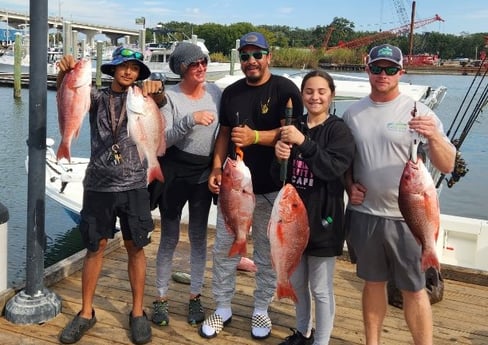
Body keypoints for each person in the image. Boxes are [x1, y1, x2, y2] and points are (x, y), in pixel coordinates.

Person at [342, 44, 456, 345]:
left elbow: (447, 164)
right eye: (377, 68)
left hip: (408, 218)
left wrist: (432, 136)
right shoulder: (352, 113)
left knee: (414, 288)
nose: (383, 74)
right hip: (365, 214)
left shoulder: (419, 111)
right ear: (367, 70)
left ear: (401, 72)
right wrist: (349, 185)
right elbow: (345, 161)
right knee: (373, 283)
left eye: (391, 69)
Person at [57, 46, 166, 345]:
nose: (129, 71)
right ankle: (86, 312)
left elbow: (160, 99)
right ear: (112, 70)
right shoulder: (96, 96)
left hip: (134, 186)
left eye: (134, 67)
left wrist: (158, 91)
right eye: (123, 66)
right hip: (98, 186)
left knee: (135, 248)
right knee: (95, 247)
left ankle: (137, 313)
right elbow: (70, 94)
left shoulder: (142, 98)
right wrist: (63, 73)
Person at [200, 31, 303, 340]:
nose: (251, 61)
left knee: (268, 253)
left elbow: (293, 132)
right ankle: (222, 307)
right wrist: (216, 167)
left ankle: (261, 309)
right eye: (245, 56)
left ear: (268, 56)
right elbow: (224, 134)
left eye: (257, 54)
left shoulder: (285, 89)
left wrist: (256, 137)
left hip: (272, 188)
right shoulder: (231, 93)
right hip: (234, 188)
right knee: (223, 251)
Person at [274, 70, 355, 345]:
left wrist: (303, 143)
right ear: (302, 95)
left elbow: (333, 168)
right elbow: (282, 175)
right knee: (297, 284)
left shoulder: (339, 130)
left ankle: (322, 340)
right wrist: (279, 155)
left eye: (321, 91)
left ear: (331, 94)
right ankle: (302, 332)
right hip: (292, 220)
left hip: (325, 220)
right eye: (309, 91)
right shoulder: (294, 126)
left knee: (321, 289)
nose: (315, 97)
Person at [150, 42, 221, 326]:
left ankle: (195, 297)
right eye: (194, 64)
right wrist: (190, 120)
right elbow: (162, 141)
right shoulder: (171, 98)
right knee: (168, 237)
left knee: (199, 237)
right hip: (175, 173)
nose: (201, 67)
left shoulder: (217, 92)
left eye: (203, 61)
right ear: (182, 68)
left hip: (203, 174)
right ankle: (161, 299)